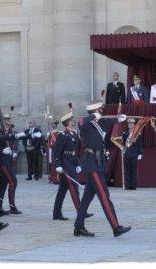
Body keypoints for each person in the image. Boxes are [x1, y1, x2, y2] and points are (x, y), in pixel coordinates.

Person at [73, 102, 131, 238]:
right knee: (105, 197)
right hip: (92, 163)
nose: (102, 111)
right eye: (100, 110)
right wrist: (93, 116)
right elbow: (80, 122)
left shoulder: (100, 123)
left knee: (86, 199)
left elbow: (109, 121)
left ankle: (78, 227)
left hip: (98, 163)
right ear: (95, 111)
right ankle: (116, 227)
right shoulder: (87, 124)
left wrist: (119, 118)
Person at [51, 113, 83, 220]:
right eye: (71, 119)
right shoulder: (62, 135)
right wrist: (58, 165)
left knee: (62, 191)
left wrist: (78, 164)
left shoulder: (74, 134)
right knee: (74, 187)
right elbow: (56, 151)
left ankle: (56, 213)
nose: (73, 121)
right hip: (65, 164)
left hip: (72, 163)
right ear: (68, 122)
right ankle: (81, 211)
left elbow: (75, 151)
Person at [121, 117, 143, 190]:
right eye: (129, 124)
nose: (130, 125)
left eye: (132, 124)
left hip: (134, 154)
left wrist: (140, 153)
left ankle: (133, 186)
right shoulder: (125, 133)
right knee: (127, 171)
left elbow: (140, 144)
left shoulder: (137, 133)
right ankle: (128, 185)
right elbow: (123, 144)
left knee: (133, 171)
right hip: (127, 154)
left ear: (134, 125)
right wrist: (123, 151)